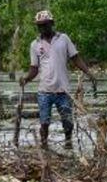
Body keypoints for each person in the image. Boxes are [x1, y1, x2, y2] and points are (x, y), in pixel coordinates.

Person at [18, 10, 96, 149]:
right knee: (45, 121)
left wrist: (88, 72)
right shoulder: (35, 44)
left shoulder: (63, 39)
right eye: (40, 25)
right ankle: (44, 146)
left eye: (45, 25)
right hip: (45, 90)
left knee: (67, 121)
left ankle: (68, 144)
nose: (43, 28)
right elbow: (34, 68)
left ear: (52, 24)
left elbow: (75, 57)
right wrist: (26, 79)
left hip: (63, 89)